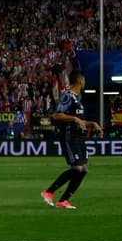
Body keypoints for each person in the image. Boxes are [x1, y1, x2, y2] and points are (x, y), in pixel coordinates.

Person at [42, 69, 102, 209]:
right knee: (76, 169)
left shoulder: (78, 98)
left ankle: (63, 201)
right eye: (84, 80)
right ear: (80, 81)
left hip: (79, 136)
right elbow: (57, 115)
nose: (85, 82)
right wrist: (74, 118)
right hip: (69, 136)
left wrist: (92, 124)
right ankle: (49, 192)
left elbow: (79, 121)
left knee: (84, 170)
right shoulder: (67, 95)